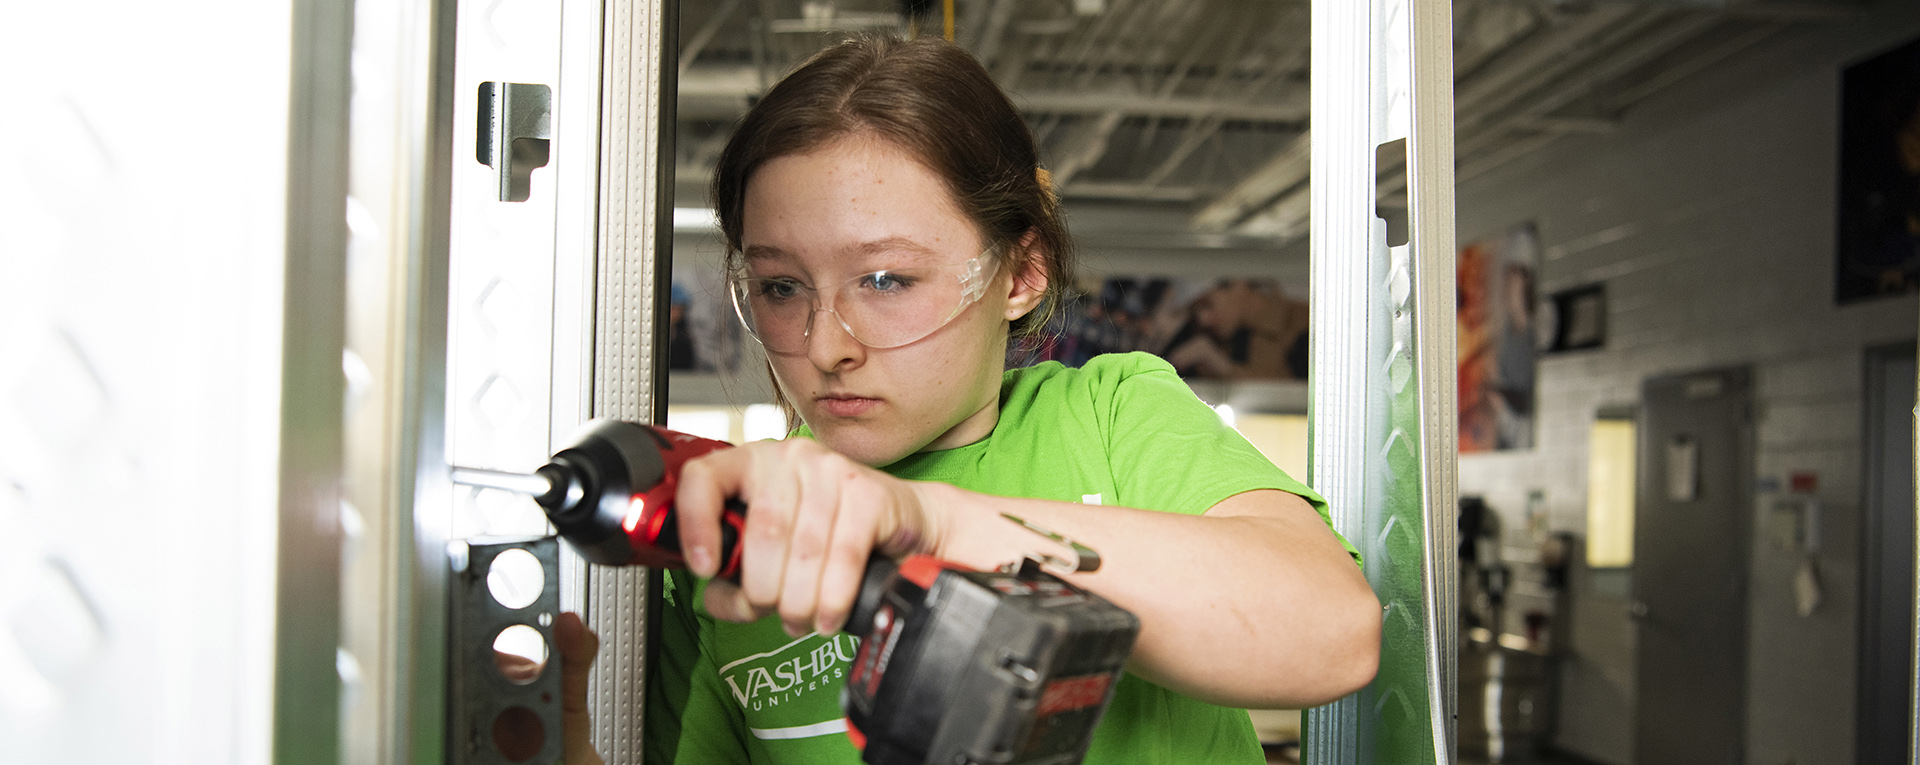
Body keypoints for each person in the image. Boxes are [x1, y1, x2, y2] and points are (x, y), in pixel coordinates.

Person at [554, 34, 1379, 765]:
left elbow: (1333, 636)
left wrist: (933, 527)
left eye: (885, 279)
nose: (826, 343)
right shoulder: (729, 528)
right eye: (780, 285)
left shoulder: (1113, 413)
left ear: (1020, 274)